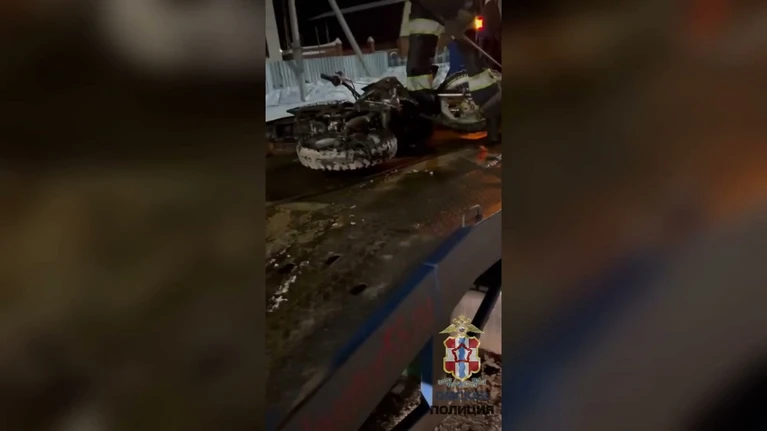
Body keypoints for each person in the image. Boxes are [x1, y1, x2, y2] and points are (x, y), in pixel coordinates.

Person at [405, 0, 501, 140]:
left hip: (451, 8)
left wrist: (455, 15)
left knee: (473, 64)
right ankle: (425, 113)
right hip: (430, 10)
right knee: (418, 77)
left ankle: (491, 118)